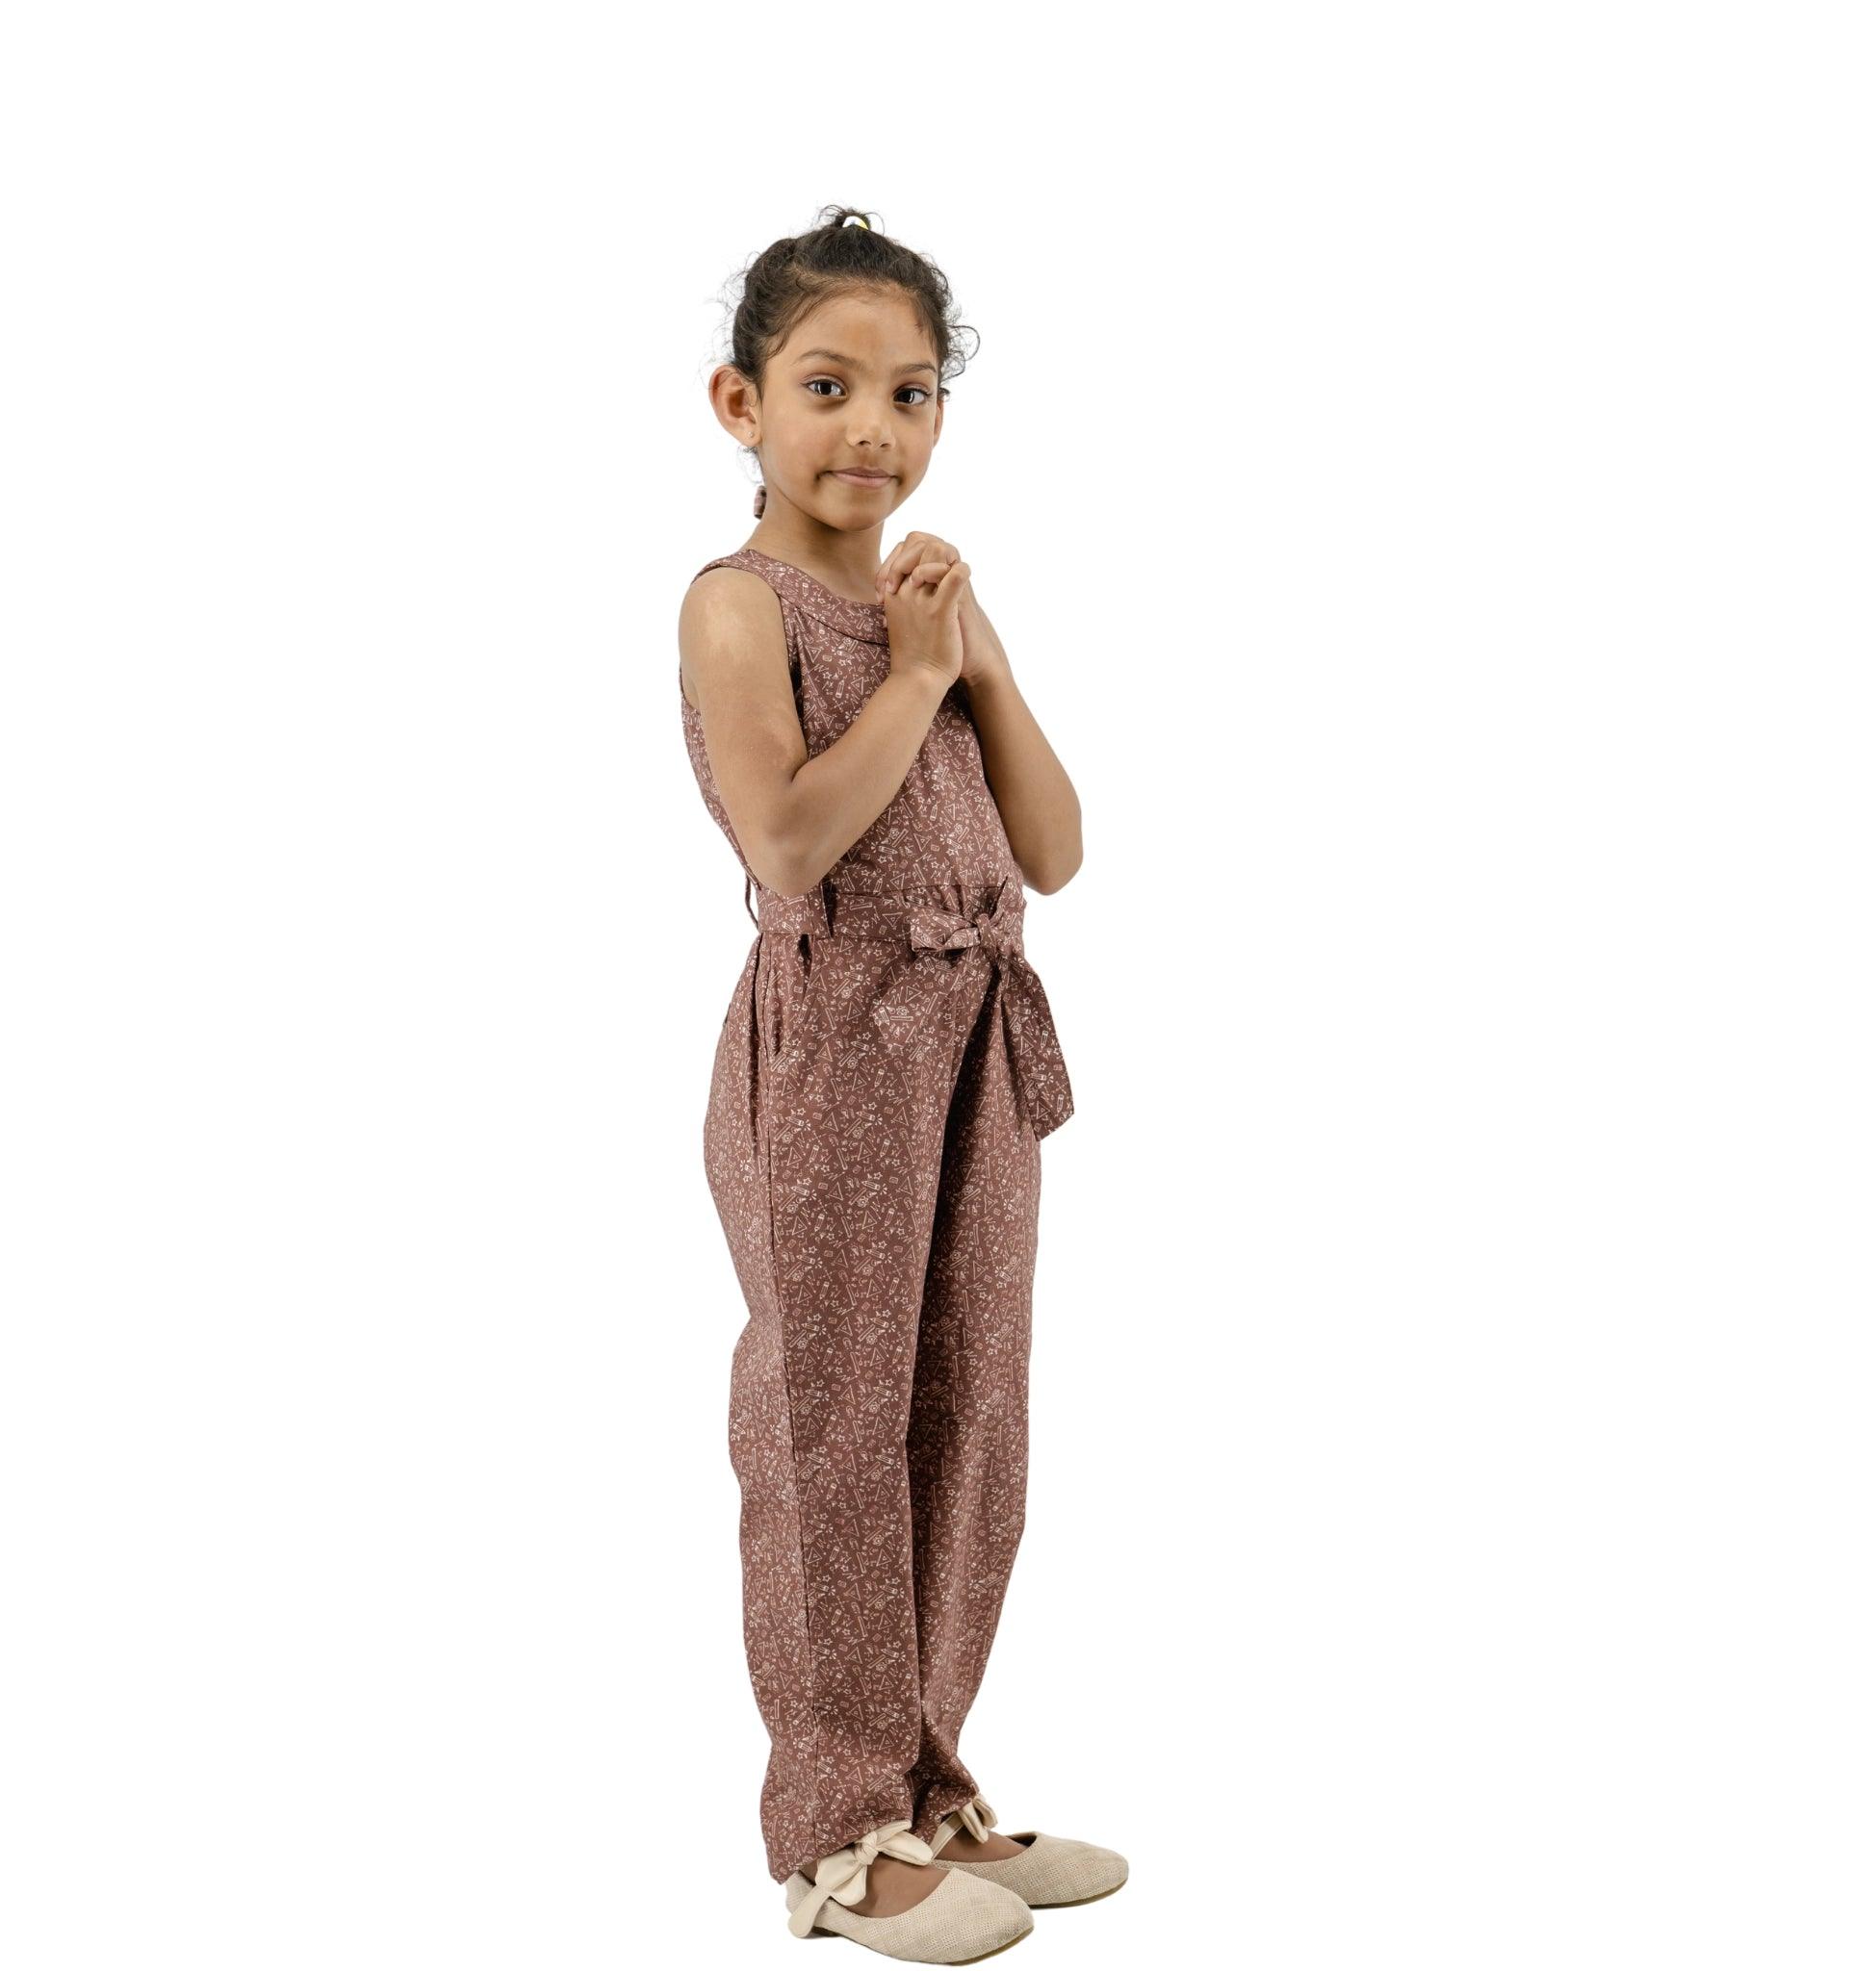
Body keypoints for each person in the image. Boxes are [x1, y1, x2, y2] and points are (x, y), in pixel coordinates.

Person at [678, 206, 1128, 1963]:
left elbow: (1059, 850)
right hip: (838, 1044)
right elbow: (789, 843)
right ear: (741, 402)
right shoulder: (739, 606)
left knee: (968, 1411)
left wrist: (981, 663)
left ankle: (930, 1778)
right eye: (828, 386)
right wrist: (920, 674)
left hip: (976, 1038)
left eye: (911, 391)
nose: (874, 426)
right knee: (829, 1427)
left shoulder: (936, 607)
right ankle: (836, 1831)